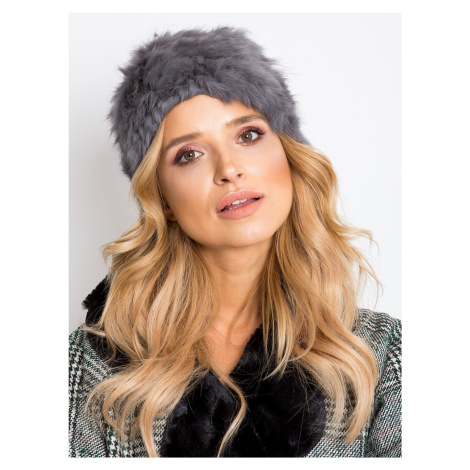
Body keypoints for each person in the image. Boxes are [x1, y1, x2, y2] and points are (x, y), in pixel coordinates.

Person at [68, 26, 401, 458]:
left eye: (248, 135)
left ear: (288, 154)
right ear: (163, 199)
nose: (229, 169)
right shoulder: (86, 365)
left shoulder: (380, 355)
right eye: (189, 155)